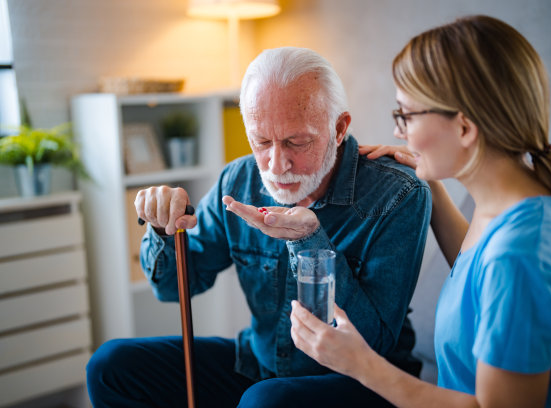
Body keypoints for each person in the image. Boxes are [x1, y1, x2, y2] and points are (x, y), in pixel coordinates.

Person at [290, 15, 551, 408]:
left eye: (406, 115)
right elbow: (479, 276)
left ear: (464, 128)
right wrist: (434, 188)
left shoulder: (523, 253)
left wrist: (361, 364)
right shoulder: (505, 206)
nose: (398, 131)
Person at [86, 47, 432, 407]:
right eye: (261, 141)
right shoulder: (238, 180)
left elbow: (374, 340)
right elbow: (173, 288)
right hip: (263, 365)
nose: (277, 164)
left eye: (297, 142)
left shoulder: (398, 194)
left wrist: (310, 244)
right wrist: (162, 229)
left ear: (339, 127)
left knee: (264, 401)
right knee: (110, 366)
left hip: (362, 381)